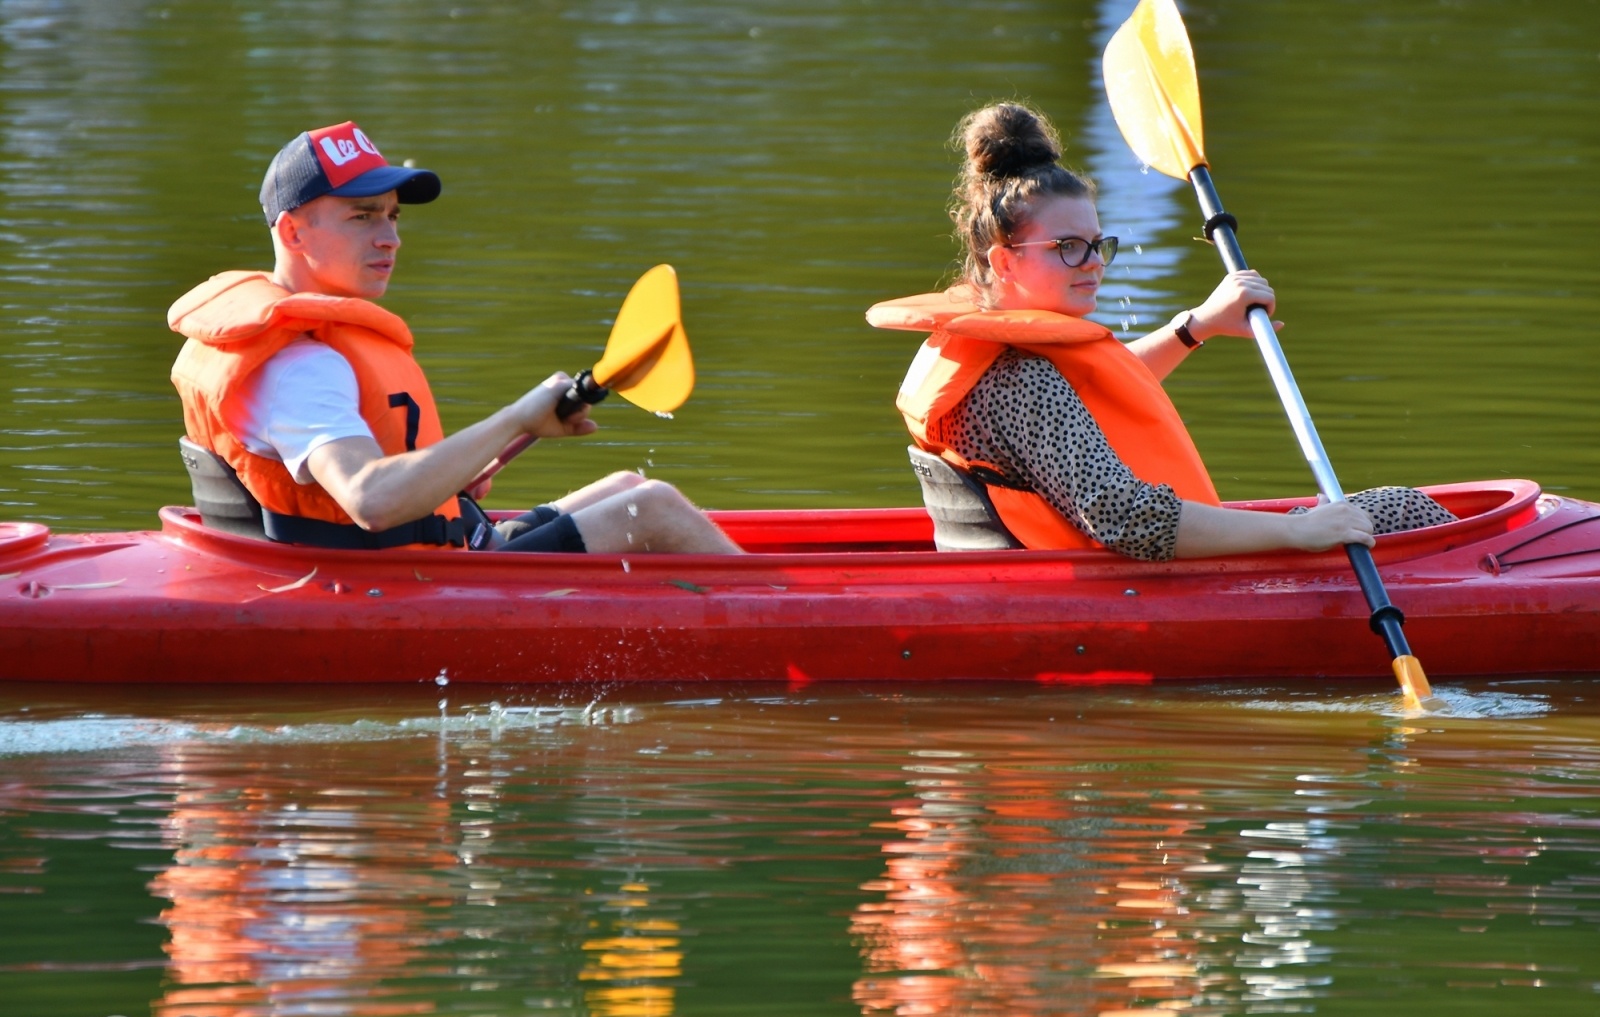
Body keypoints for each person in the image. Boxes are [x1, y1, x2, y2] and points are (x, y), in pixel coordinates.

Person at [869, 102, 1453, 559]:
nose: (1093, 263)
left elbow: (1096, 393)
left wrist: (1194, 327)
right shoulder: (1021, 378)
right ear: (1004, 261)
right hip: (1121, 583)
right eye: (1067, 248)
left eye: (1098, 246)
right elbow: (1130, 520)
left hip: (1077, 566)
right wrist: (1298, 534)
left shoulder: (991, 349)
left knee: (1393, 510)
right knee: (1404, 511)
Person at [170, 120, 740, 554]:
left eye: (394, 216)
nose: (390, 237)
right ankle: (798, 633)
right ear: (293, 231)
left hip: (429, 552)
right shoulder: (299, 363)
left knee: (625, 485)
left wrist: (455, 475)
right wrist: (515, 419)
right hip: (388, 583)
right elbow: (370, 499)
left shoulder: (302, 343)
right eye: (362, 217)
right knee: (653, 508)